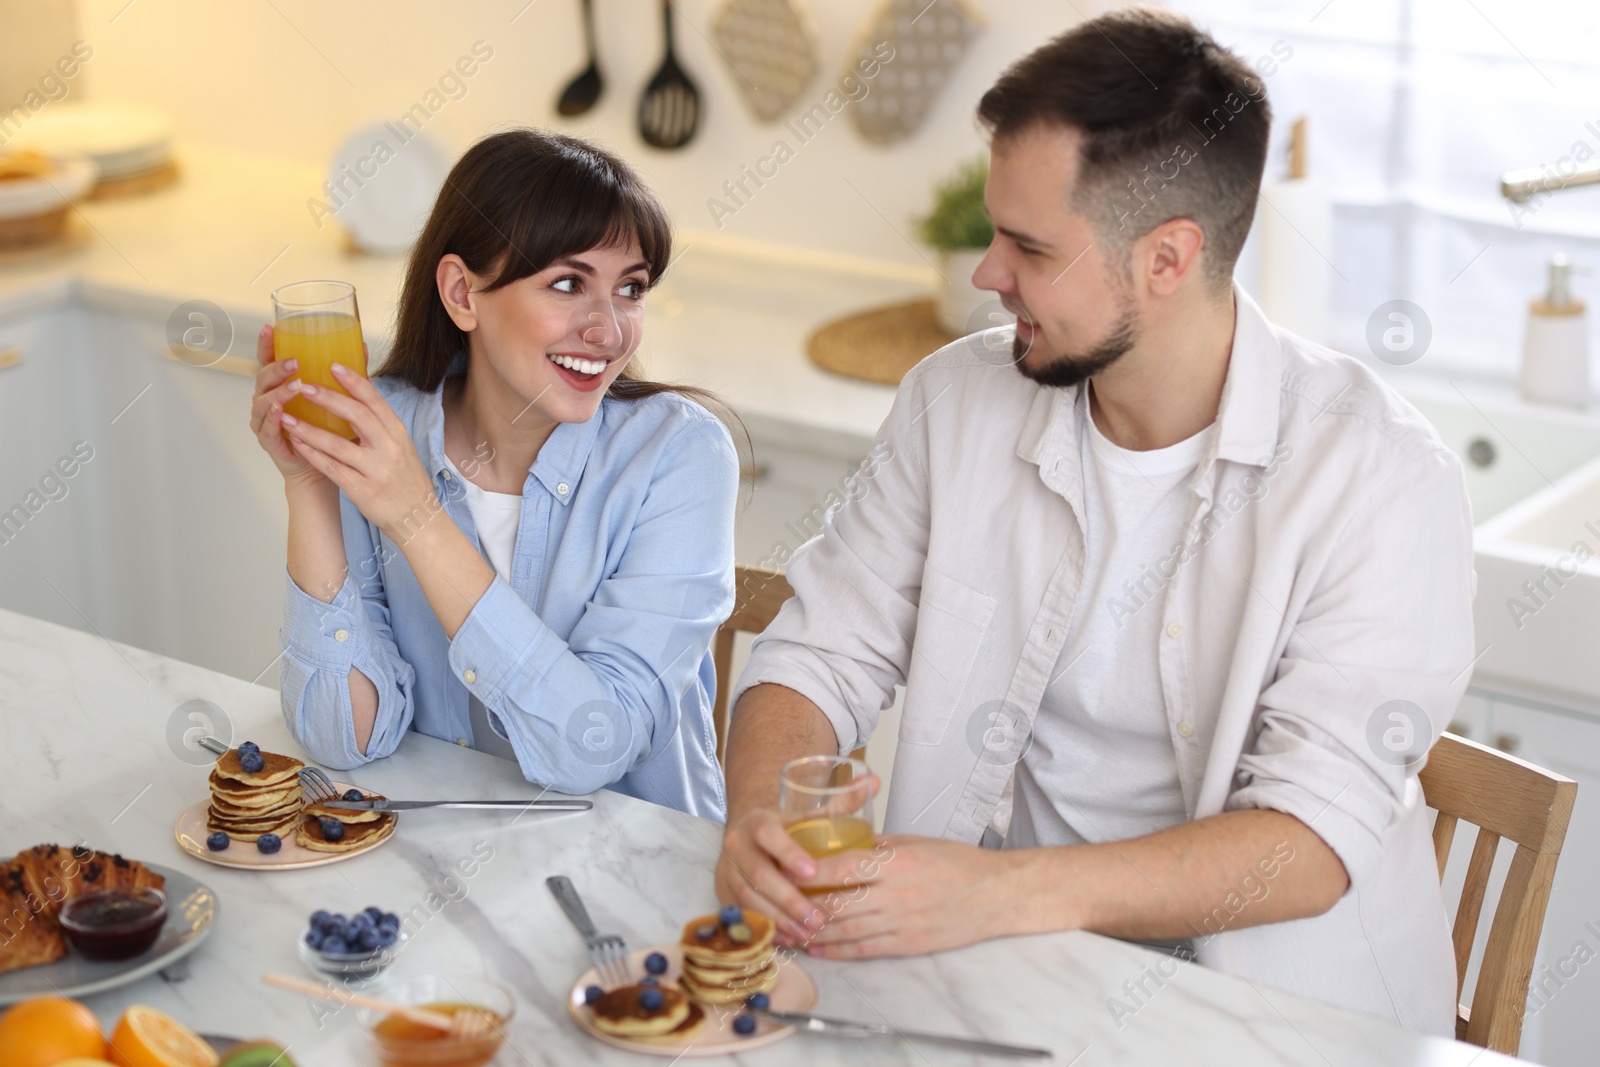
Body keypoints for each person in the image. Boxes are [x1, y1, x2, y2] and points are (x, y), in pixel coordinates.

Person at [716, 8, 1472, 1035]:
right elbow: (817, 651)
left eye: (1028, 245)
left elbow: (1307, 837)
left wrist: (994, 890)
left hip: (1279, 1016)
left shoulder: (1376, 474)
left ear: (1166, 259)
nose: (986, 272)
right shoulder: (955, 400)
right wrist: (761, 811)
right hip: (1014, 977)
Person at [250, 129, 738, 819]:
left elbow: (593, 747)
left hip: (639, 886)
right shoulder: (383, 434)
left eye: (630, 290)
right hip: (442, 871)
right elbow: (344, 735)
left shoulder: (680, 457)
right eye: (568, 283)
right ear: (461, 292)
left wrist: (415, 515)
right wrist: (310, 485)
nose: (610, 331)